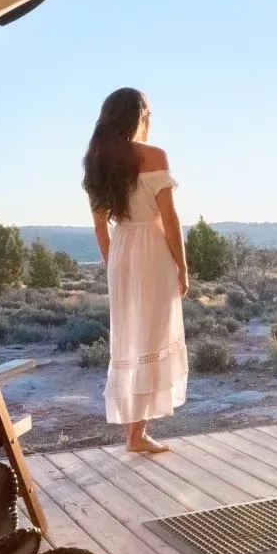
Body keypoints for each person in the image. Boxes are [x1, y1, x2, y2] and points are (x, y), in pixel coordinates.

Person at [82, 88, 189, 453]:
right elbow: (169, 219)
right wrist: (183, 266)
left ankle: (134, 433)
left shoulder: (97, 160)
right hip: (152, 250)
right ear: (139, 114)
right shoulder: (154, 155)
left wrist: (115, 263)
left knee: (130, 337)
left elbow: (100, 227)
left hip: (123, 251)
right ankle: (136, 435)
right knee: (152, 336)